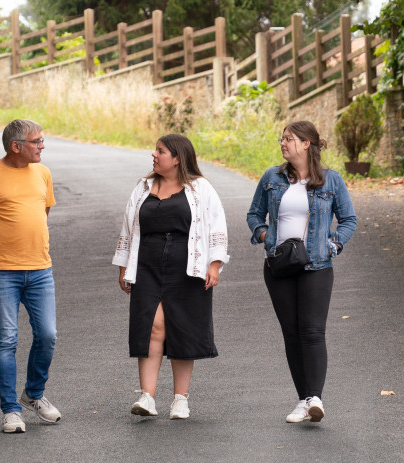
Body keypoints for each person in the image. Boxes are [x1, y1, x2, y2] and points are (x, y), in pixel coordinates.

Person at [112, 134, 229, 419]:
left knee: (182, 328)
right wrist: (124, 266)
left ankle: (180, 399)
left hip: (188, 266)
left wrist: (214, 265)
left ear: (177, 158)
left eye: (160, 151)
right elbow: (128, 229)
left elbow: (217, 226)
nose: (154, 154)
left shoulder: (200, 188)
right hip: (146, 265)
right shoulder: (142, 188)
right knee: (152, 326)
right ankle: (147, 397)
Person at [247, 121, 357, 423]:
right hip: (279, 265)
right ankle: (304, 399)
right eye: (282, 138)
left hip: (317, 266)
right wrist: (263, 235)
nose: (283, 143)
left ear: (307, 143)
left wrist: (333, 245)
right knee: (291, 334)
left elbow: (348, 220)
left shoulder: (331, 181)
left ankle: (315, 398)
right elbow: (254, 213)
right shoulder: (272, 177)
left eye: (289, 139)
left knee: (312, 331)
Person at [0, 119, 61, 434]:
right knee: (6, 340)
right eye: (37, 141)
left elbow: (41, 213)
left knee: (47, 335)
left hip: (40, 269)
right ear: (16, 146)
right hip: (1, 272)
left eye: (42, 140)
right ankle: (10, 411)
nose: (42, 146)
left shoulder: (43, 173)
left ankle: (33, 394)